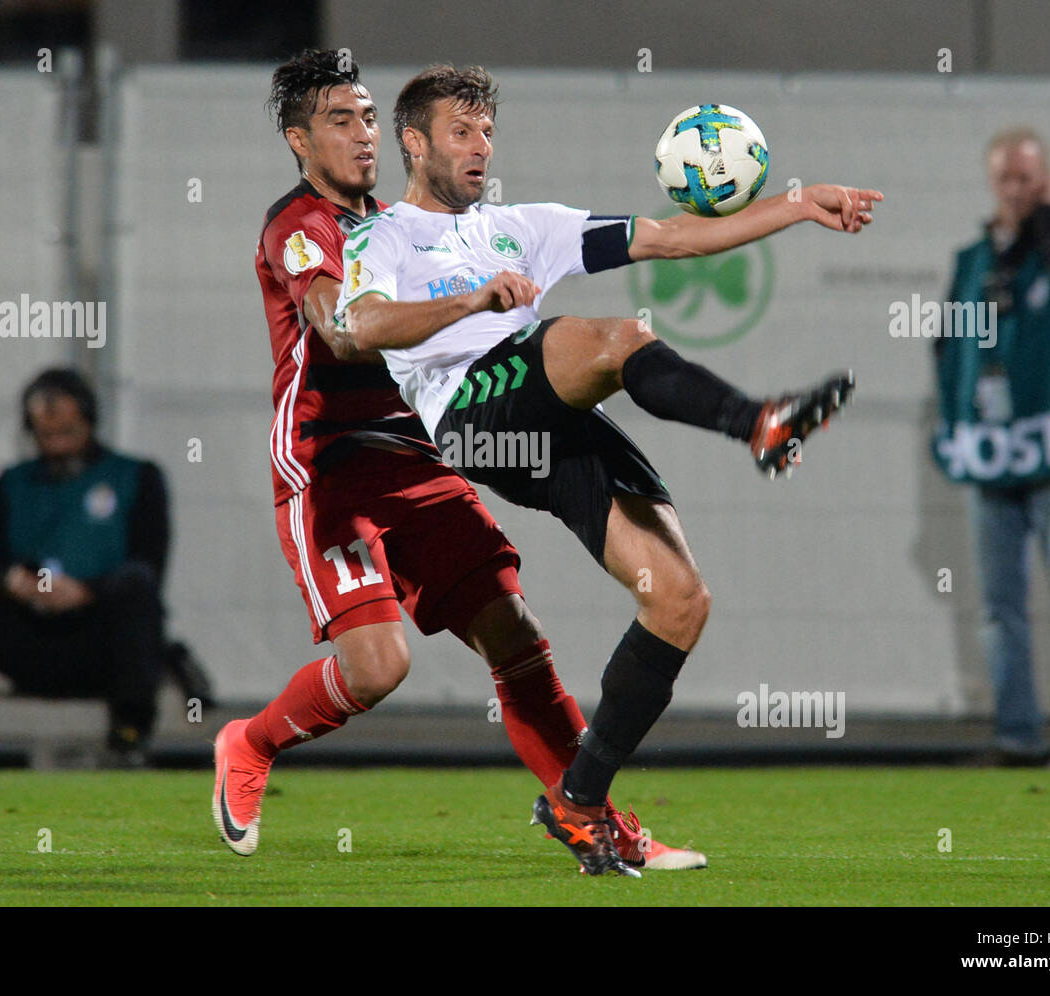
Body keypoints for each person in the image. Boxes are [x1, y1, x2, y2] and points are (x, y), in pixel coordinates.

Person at [336, 65, 881, 873]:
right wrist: (472, 303)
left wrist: (799, 205)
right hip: (474, 416)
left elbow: (669, 237)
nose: (480, 146)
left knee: (680, 601)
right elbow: (362, 326)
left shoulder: (523, 224)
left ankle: (579, 798)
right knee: (618, 339)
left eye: (487, 131)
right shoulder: (380, 236)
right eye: (461, 132)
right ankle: (757, 422)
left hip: (549, 415)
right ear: (414, 143)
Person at [211, 49, 706, 873]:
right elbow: (340, 328)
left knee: (515, 635)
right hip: (330, 461)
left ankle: (593, 818)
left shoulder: (410, 222)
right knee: (378, 667)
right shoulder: (300, 227)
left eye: (368, 117)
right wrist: (470, 300)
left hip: (418, 453)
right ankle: (250, 742)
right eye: (340, 120)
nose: (362, 134)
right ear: (299, 140)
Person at [933, 128, 1050, 767]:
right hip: (990, 451)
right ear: (993, 182)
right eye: (1008, 178)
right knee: (998, 605)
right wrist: (949, 428)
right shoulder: (970, 261)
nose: (1018, 189)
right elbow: (948, 352)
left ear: (1048, 181)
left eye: (1029, 179)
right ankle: (1014, 736)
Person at [0, 368, 170, 765]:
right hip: (25, 635)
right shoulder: (12, 482)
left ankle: (129, 736)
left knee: (136, 587)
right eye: (47, 435)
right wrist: (13, 581)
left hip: (93, 637)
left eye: (68, 432)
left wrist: (87, 591)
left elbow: (150, 563)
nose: (58, 444)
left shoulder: (136, 477)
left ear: (88, 421)